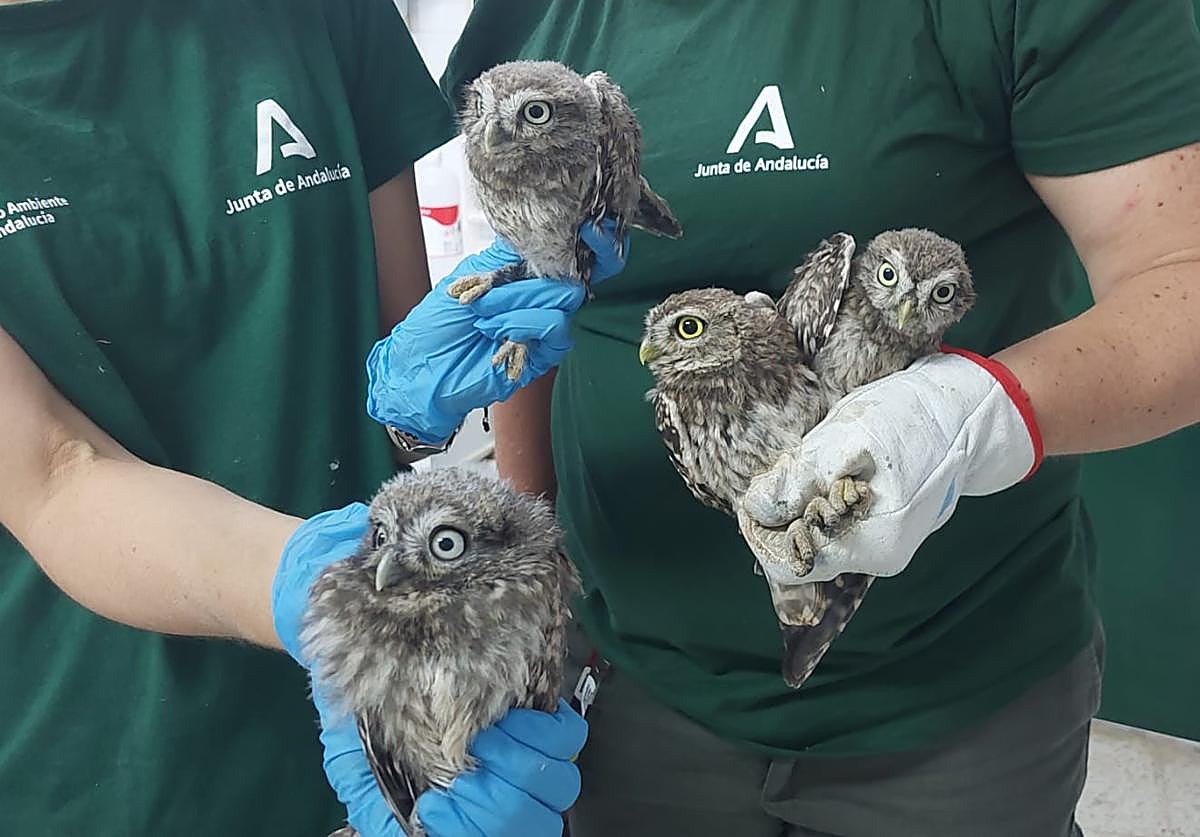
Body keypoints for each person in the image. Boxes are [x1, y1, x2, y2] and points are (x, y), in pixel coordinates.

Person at [360, 1, 1200, 835]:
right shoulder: (535, 19)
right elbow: (540, 302)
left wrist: (978, 413)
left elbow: (1180, 276)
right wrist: (532, 574)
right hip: (632, 683)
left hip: (949, 699)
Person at [0, 1, 601, 834]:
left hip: (409, 715)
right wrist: (331, 593)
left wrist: (423, 383)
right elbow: (53, 474)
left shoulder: (315, 13)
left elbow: (380, 377)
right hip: (110, 756)